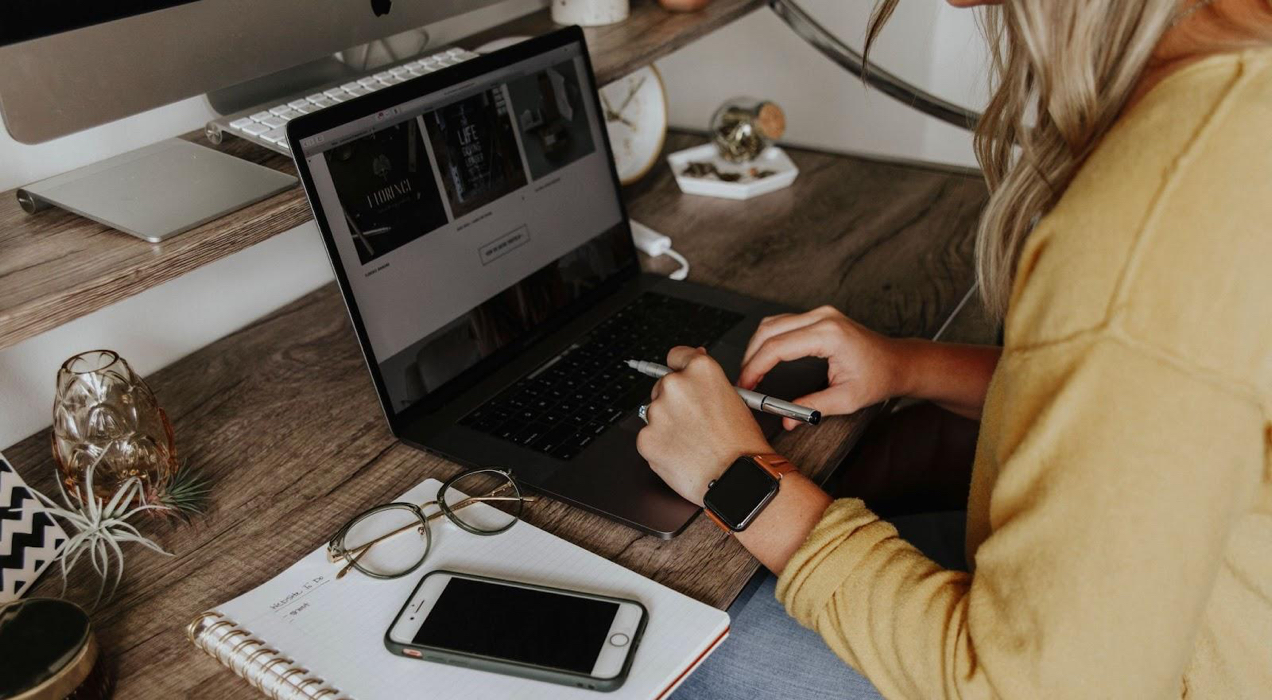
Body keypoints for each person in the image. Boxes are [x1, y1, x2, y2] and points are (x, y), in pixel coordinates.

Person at [638, 1, 1272, 697]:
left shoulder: (1148, 224)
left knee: (660, 645)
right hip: (1163, 620)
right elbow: (1150, 407)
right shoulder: (1237, 99)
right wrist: (908, 364)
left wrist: (736, 474)